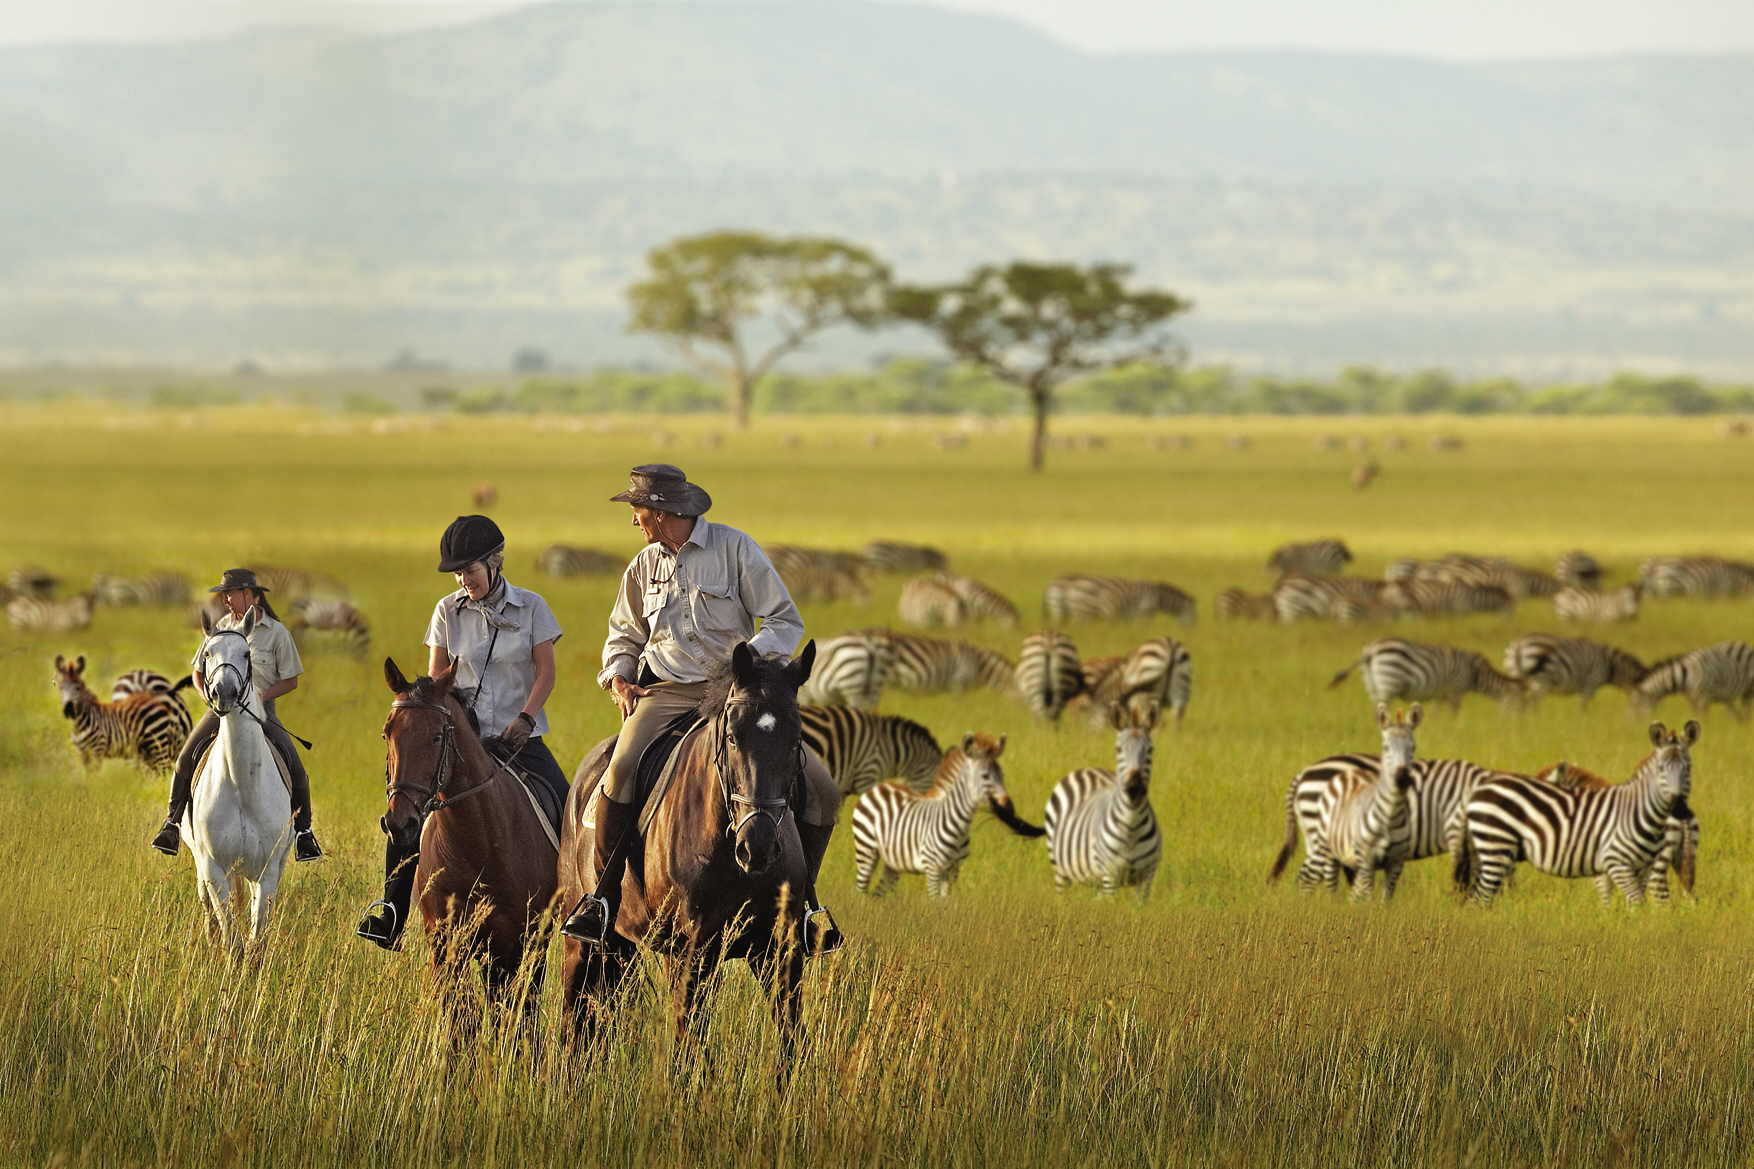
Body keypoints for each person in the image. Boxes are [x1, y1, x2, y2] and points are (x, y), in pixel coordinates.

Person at [561, 464, 842, 953]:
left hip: (734, 690)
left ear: (665, 511)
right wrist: (620, 677)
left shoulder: (736, 549)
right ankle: (602, 901)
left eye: (638, 510)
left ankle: (805, 904)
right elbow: (623, 635)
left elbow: (784, 620)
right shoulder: (643, 565)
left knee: (821, 789)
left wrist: (749, 662)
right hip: (666, 693)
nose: (634, 521)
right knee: (620, 771)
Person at [356, 514, 568, 950]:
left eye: (469, 570)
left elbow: (545, 673)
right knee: (407, 814)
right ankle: (391, 910)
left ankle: (582, 906)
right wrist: (450, 721)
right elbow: (437, 680)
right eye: (457, 572)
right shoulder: (446, 611)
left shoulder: (532, 607)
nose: (462, 579)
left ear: (495, 562)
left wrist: (526, 718)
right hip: (460, 740)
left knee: (567, 808)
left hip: (518, 740)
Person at [151, 568, 322, 861]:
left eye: (230, 594)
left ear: (251, 595)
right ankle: (172, 824)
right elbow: (196, 671)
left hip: (261, 712)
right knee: (184, 760)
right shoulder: (220, 627)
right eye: (224, 595)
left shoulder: (277, 633)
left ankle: (305, 834)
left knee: (296, 769)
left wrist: (260, 697)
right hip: (221, 710)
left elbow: (291, 680)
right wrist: (206, 694)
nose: (227, 600)